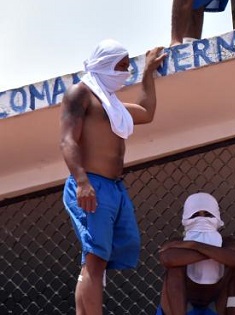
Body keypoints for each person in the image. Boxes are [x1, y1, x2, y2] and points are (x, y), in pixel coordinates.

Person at [59, 39, 166, 315]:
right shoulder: (80, 93)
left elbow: (146, 113)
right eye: (120, 66)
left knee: (101, 259)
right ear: (104, 64)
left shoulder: (112, 103)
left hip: (115, 189)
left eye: (128, 66)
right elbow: (68, 141)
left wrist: (147, 73)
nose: (125, 72)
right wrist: (82, 182)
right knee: (94, 259)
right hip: (91, 185)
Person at [157, 192, 235, 315]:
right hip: (182, 307)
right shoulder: (178, 242)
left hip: (217, 305)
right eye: (195, 214)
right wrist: (218, 252)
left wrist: (194, 245)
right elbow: (167, 259)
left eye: (207, 214)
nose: (202, 219)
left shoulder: (227, 242)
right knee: (174, 269)